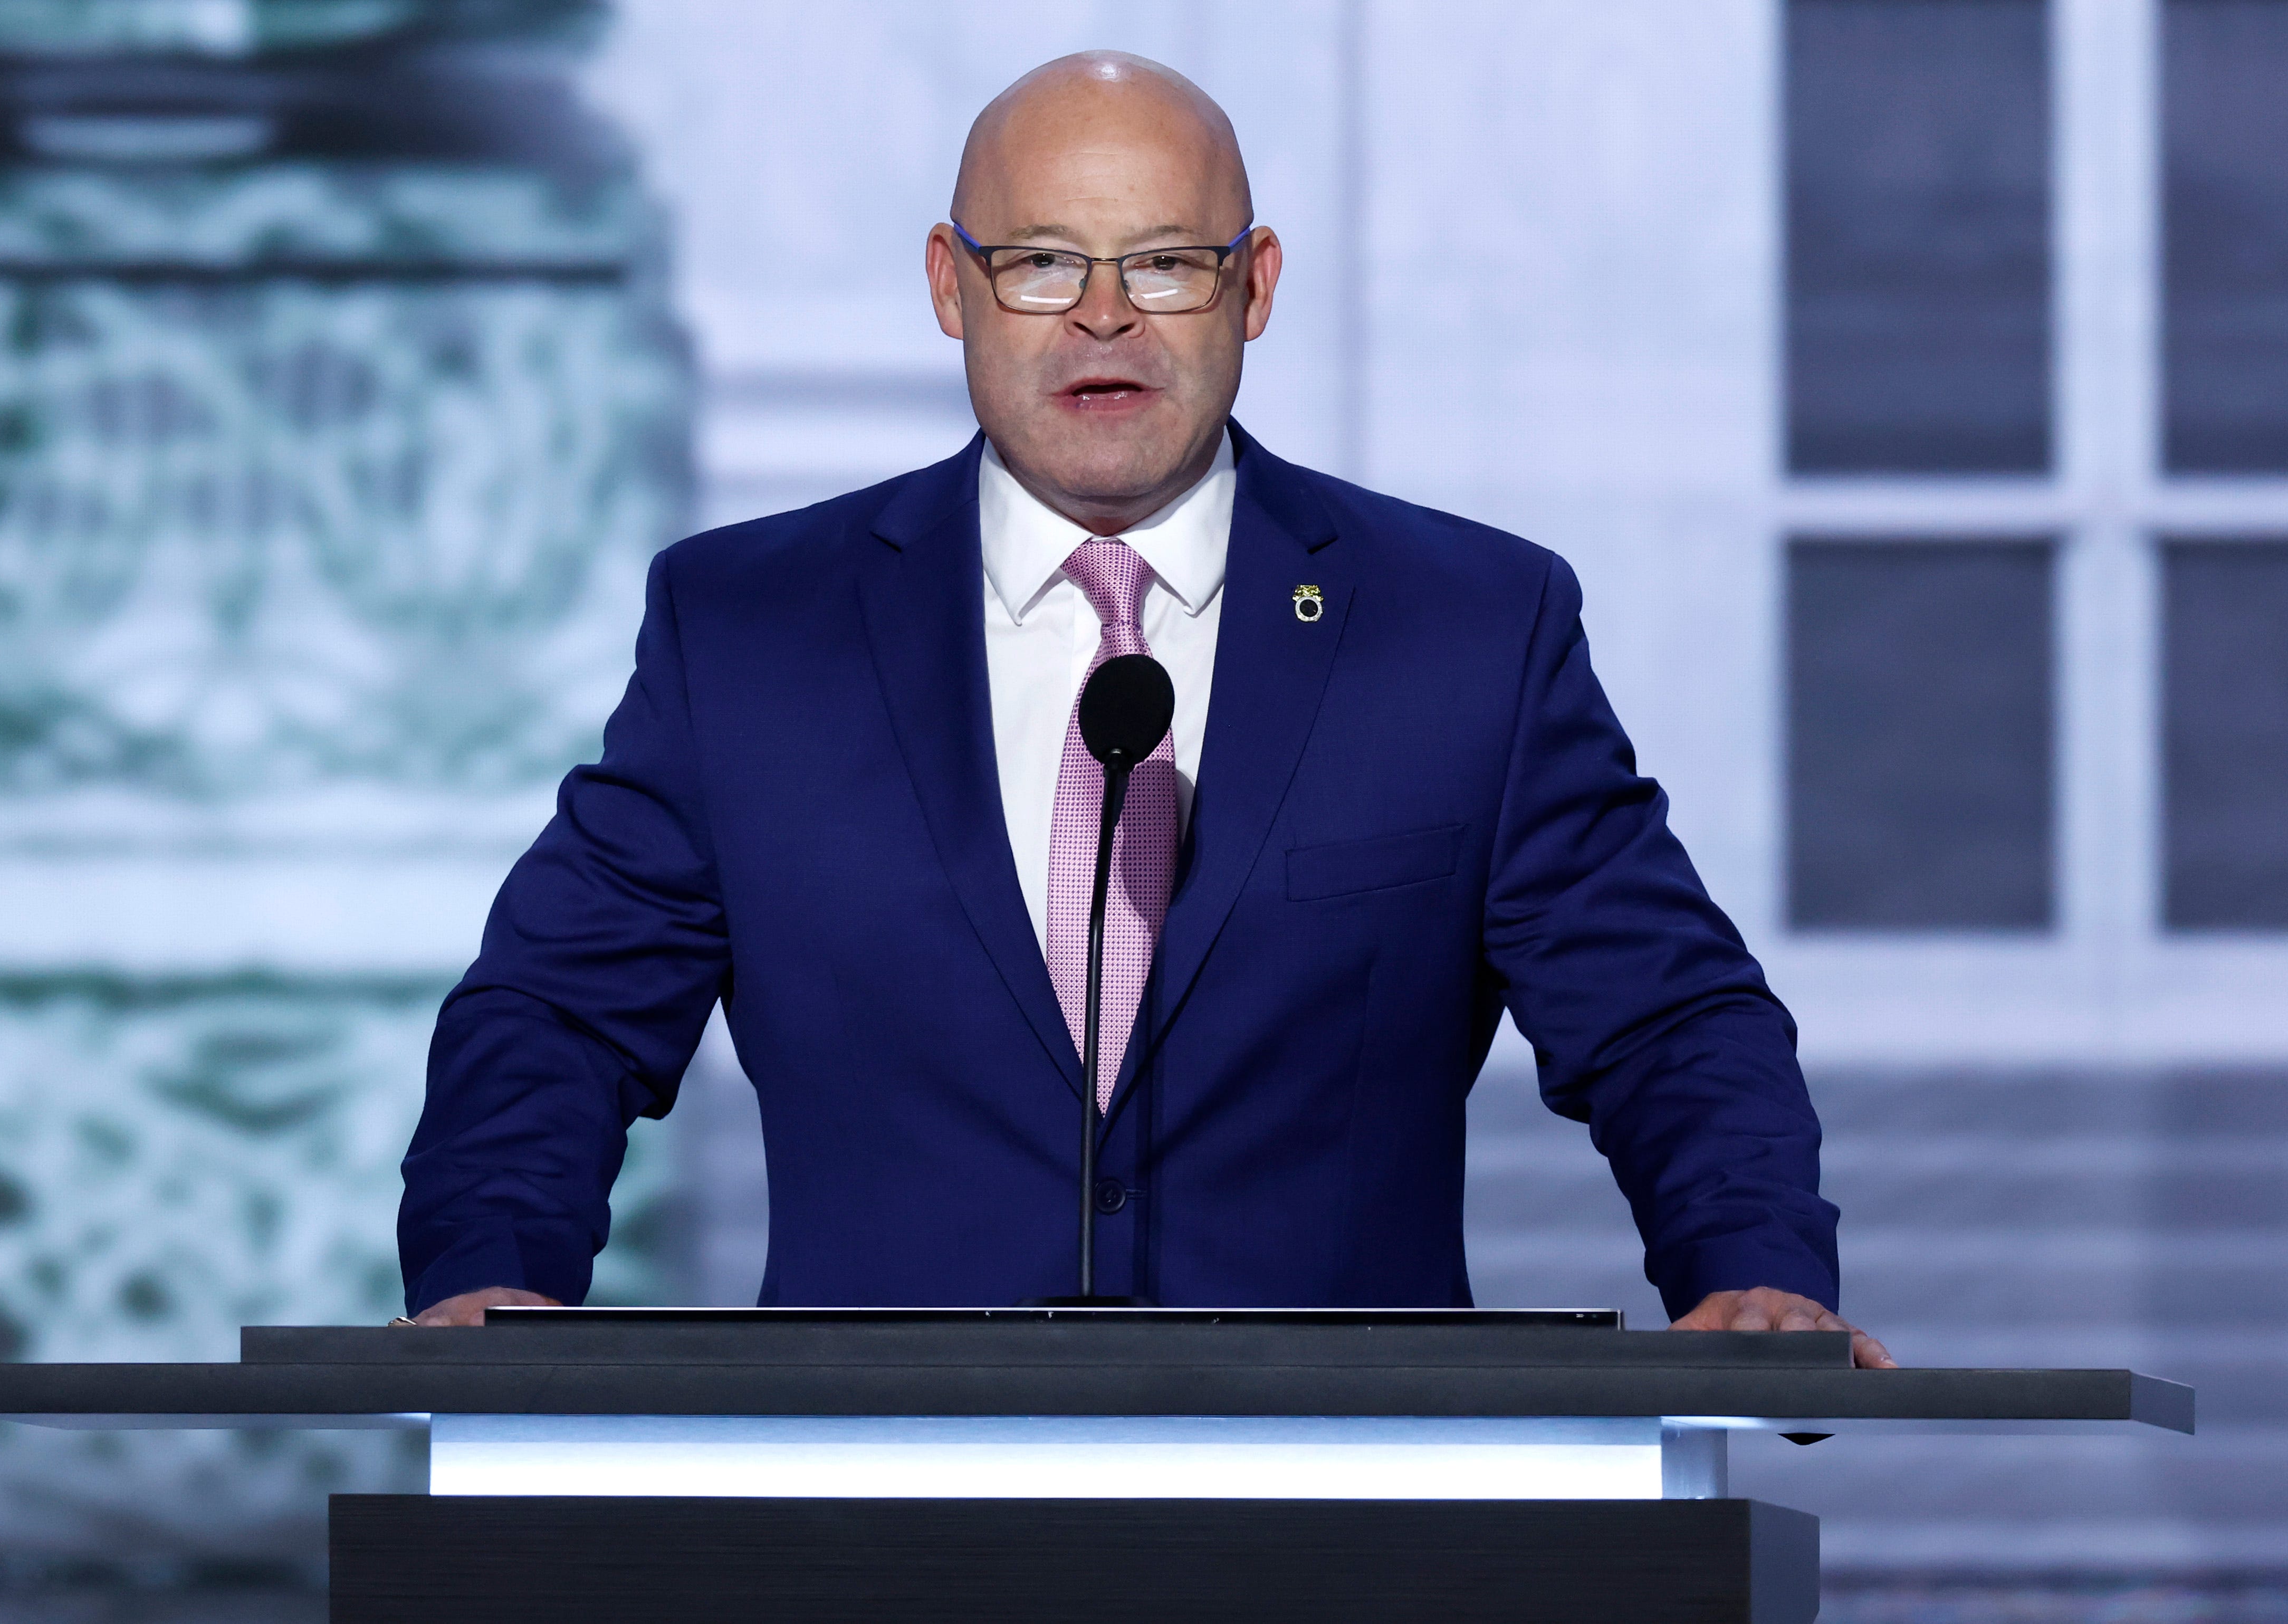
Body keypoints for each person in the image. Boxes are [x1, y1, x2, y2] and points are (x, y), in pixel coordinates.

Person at [396, 50, 1894, 1368]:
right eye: (1040, 263)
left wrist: (1749, 1272)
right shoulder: (748, 632)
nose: (1101, 318)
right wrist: (491, 1275)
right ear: (948, 284)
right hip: (871, 1501)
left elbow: (1665, 1018)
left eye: (1165, 264)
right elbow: (559, 1012)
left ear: (1255, 285)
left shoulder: (1464, 630)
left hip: (1349, 1508)